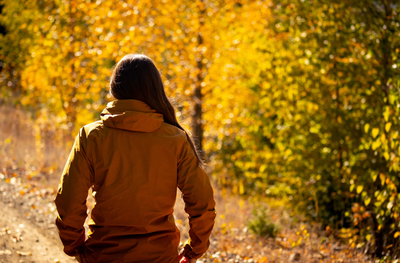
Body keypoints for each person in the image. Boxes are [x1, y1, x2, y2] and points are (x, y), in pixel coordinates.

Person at [54, 54, 216, 263]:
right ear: (155, 88)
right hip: (160, 257)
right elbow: (202, 202)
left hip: (104, 255)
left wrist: (75, 246)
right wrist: (194, 250)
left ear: (115, 89)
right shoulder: (175, 139)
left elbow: (68, 200)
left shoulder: (91, 136)